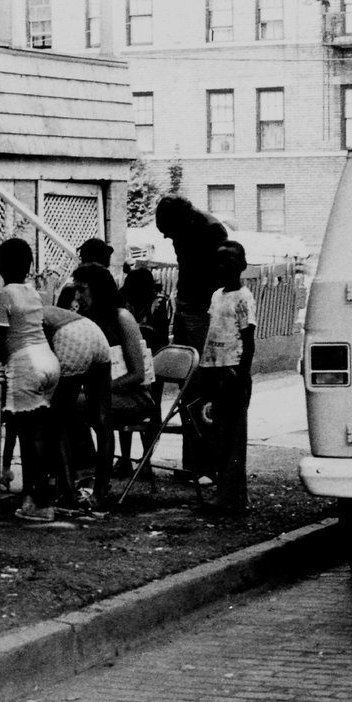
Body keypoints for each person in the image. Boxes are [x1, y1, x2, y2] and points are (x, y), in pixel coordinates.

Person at [0, 238, 60, 522]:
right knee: (38, 435)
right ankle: (36, 498)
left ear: (0, 264)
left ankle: (42, 503)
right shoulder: (32, 292)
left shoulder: (3, 295)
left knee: (30, 439)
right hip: (48, 361)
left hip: (25, 366)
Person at [154, 195, 228, 481]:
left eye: (168, 230)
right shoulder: (185, 229)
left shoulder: (211, 230)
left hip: (202, 311)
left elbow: (219, 277)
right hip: (187, 308)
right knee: (187, 387)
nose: (166, 237)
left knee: (200, 386)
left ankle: (206, 465)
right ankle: (192, 464)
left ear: (181, 221)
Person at [70, 263, 155, 471]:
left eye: (82, 290)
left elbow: (137, 374)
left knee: (76, 405)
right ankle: (76, 468)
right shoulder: (88, 320)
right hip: (103, 394)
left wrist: (101, 388)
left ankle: (89, 468)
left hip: (134, 397)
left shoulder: (122, 318)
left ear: (97, 289)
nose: (77, 296)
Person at [199, 241, 255, 511]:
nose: (223, 267)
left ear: (242, 265)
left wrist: (240, 375)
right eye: (219, 262)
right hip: (212, 369)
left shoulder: (243, 298)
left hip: (232, 371)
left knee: (233, 437)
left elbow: (248, 341)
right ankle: (228, 493)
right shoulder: (216, 296)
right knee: (217, 435)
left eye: (229, 262)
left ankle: (231, 497)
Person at [42, 304, 112, 513]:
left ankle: (68, 494)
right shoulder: (46, 310)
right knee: (103, 423)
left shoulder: (16, 311)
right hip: (94, 334)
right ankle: (100, 494)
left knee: (57, 421)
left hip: (70, 341)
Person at [117, 267, 169, 477]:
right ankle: (126, 459)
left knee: (151, 410)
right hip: (128, 360)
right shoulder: (124, 302)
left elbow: (162, 338)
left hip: (153, 362)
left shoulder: (158, 304)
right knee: (127, 410)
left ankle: (145, 460)